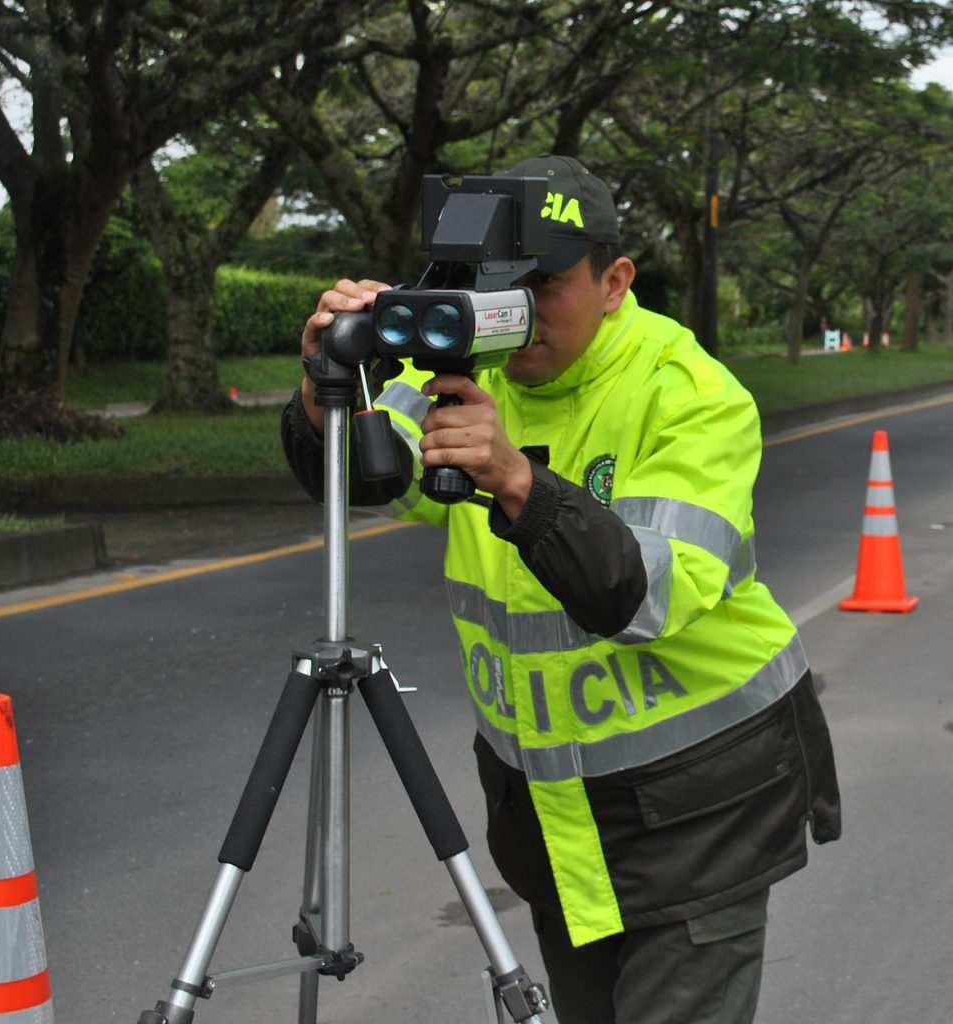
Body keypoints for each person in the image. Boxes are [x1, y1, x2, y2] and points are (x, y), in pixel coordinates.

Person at [281, 154, 841, 1024]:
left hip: (700, 811)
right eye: (489, 285)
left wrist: (517, 482)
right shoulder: (468, 364)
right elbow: (361, 473)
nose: (514, 312)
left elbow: (644, 593)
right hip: (551, 820)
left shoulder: (690, 394)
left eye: (543, 284)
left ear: (615, 280)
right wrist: (328, 387)